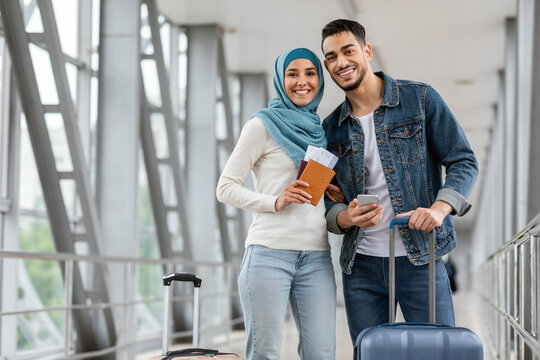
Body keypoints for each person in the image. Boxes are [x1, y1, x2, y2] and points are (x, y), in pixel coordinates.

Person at [319, 19, 479, 343]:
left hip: (421, 257)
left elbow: (463, 160)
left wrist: (440, 207)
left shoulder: (419, 99)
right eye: (332, 57)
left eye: (348, 51)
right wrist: (344, 217)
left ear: (366, 51)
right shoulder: (329, 128)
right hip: (360, 265)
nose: (341, 62)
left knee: (436, 352)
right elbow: (329, 201)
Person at [216, 48, 336, 360]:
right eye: (292, 74)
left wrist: (332, 192)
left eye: (310, 73)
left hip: (317, 258)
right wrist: (275, 200)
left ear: (319, 80)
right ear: (280, 81)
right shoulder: (262, 125)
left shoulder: (320, 131)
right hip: (268, 255)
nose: (302, 81)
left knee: (321, 354)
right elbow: (225, 188)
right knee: (265, 354)